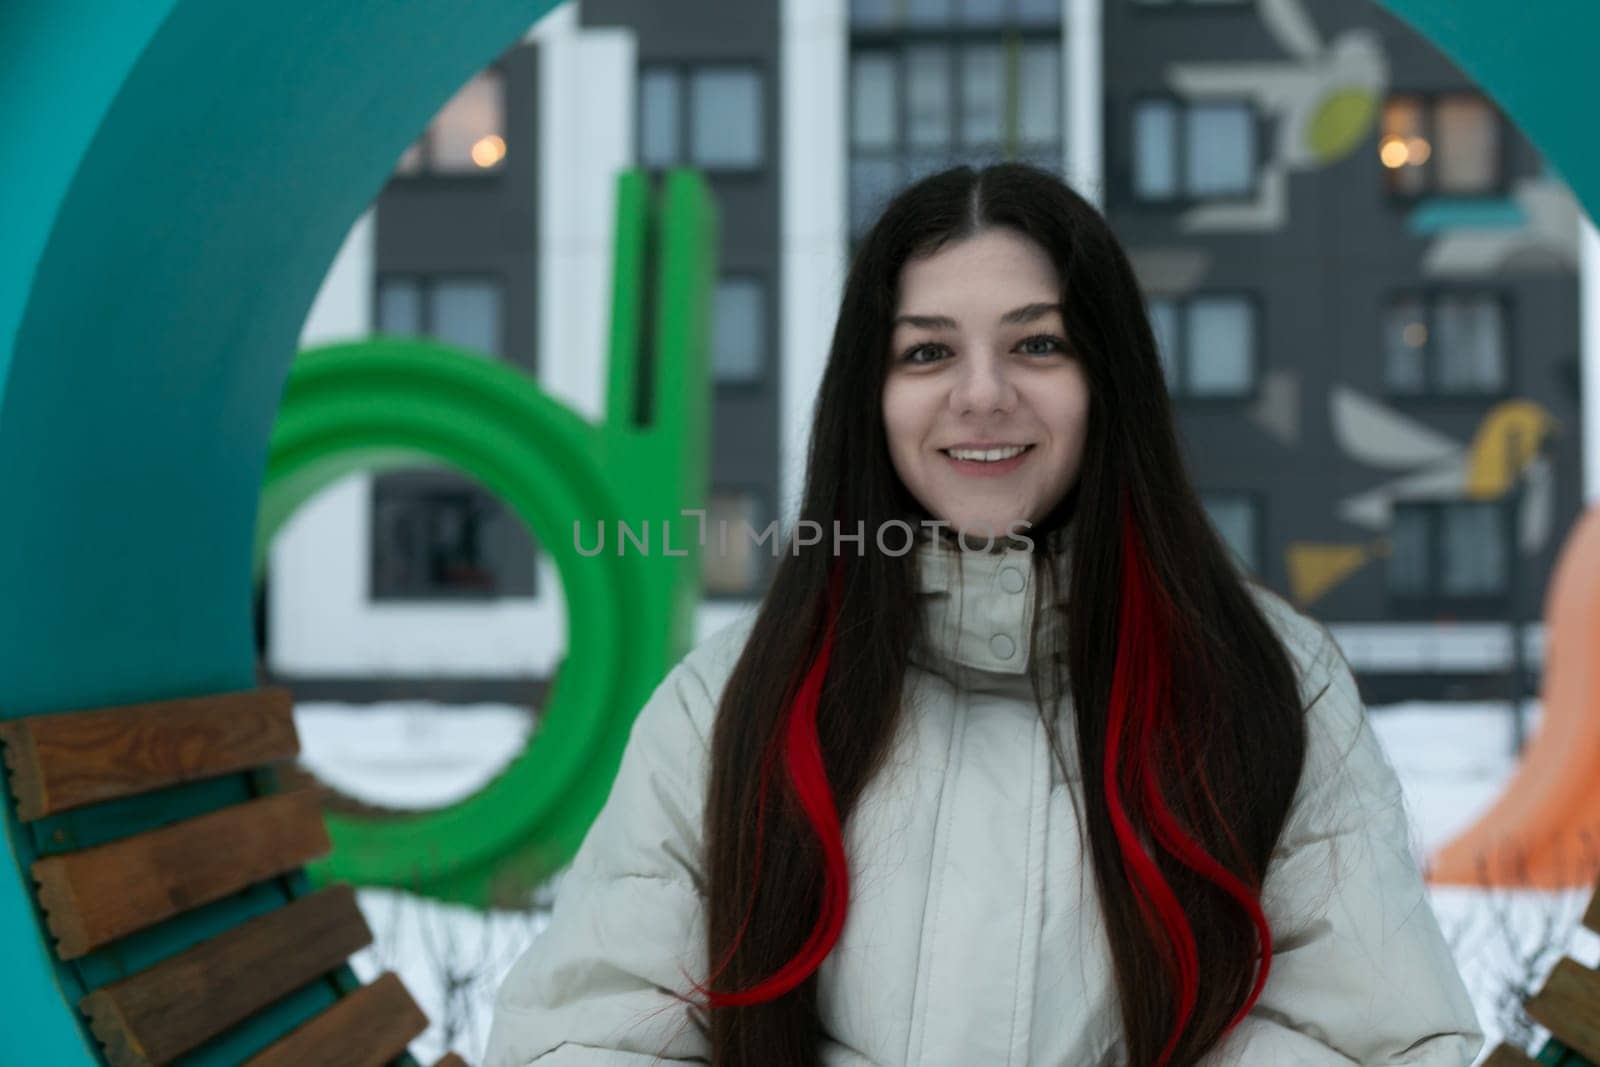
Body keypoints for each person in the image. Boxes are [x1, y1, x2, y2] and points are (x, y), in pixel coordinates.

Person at [484, 163, 1483, 1066]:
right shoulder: (731, 701)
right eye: (925, 353)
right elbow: (592, 1034)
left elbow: (1365, 1040)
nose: (981, 393)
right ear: (868, 397)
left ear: (1108, 380)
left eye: (1036, 343)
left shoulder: (1268, 683)